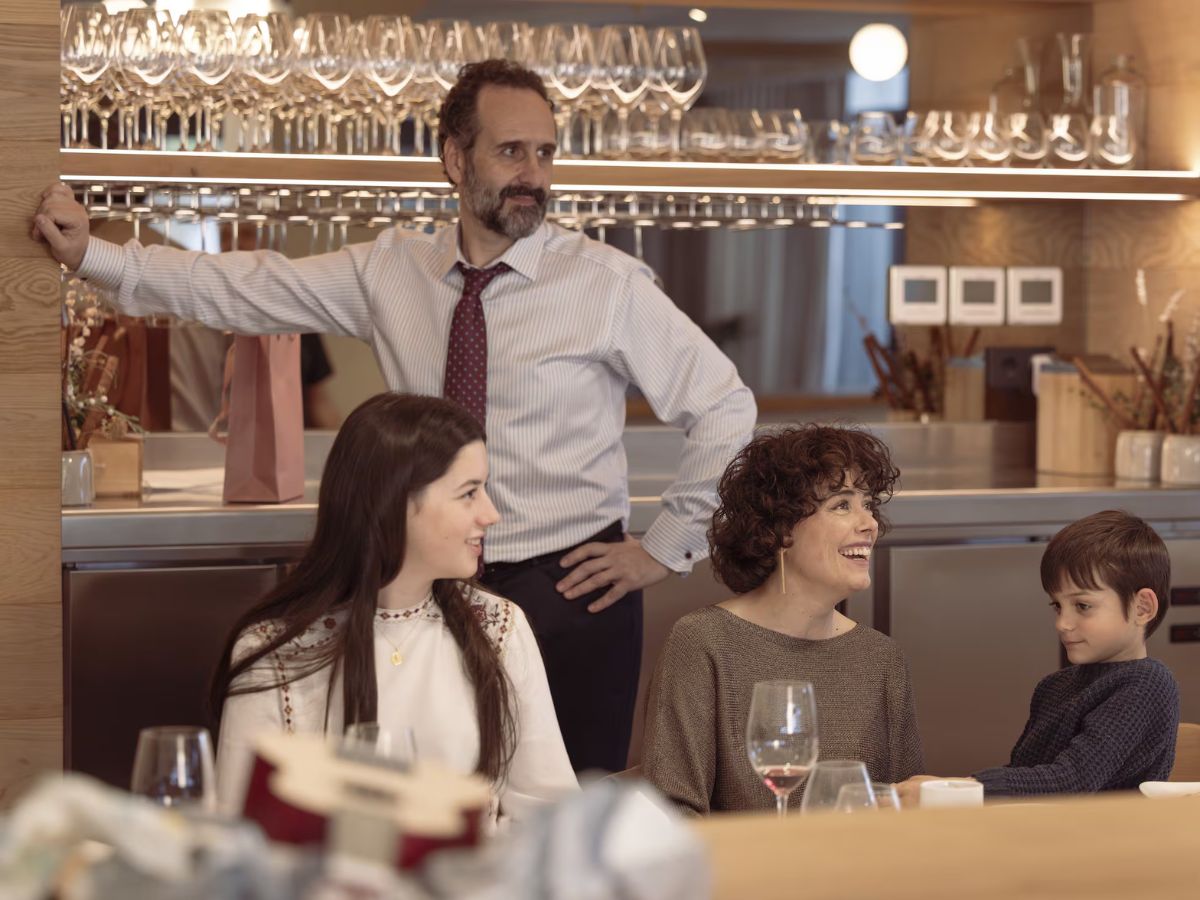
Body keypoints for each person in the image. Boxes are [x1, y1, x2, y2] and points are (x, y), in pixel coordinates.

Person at [32, 59, 756, 773]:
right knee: (426, 801)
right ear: (454, 158)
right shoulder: (390, 271)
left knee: (565, 824)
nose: (534, 173)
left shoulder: (607, 285)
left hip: (567, 588)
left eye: (545, 152)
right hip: (426, 583)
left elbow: (724, 404)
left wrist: (664, 547)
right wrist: (93, 255)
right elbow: (240, 287)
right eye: (510, 151)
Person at [210, 392, 577, 826]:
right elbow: (240, 842)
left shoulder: (498, 627)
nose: (491, 513)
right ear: (395, 502)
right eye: (469, 493)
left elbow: (550, 815)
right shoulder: (277, 651)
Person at [641, 425, 923, 815]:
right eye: (842, 505)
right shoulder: (703, 643)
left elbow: (901, 812)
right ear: (780, 530)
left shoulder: (881, 658)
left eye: (869, 504)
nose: (870, 523)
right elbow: (670, 816)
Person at [897, 510, 1180, 805]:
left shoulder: (1147, 684)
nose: (1063, 623)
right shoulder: (1053, 687)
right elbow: (1030, 777)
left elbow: (1071, 781)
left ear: (1142, 608)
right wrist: (949, 786)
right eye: (1058, 606)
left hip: (1109, 845)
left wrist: (956, 790)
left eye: (1082, 606)